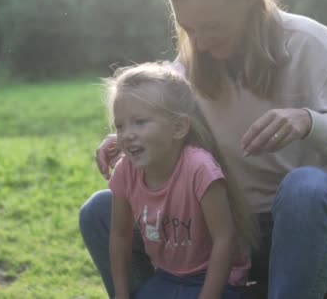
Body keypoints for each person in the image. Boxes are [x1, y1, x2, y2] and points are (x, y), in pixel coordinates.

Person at [79, 0, 327, 298]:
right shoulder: (190, 66)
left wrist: (310, 122)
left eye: (212, 26)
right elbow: (162, 115)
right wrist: (135, 137)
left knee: (306, 187)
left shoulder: (309, 43)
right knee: (100, 211)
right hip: (232, 236)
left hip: (319, 233)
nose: (199, 41)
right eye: (190, 29)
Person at [104, 63, 257, 299]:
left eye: (140, 122)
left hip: (217, 281)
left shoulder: (199, 167)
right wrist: (121, 295)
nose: (126, 134)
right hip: (167, 277)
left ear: (178, 128)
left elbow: (224, 239)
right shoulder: (126, 170)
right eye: (120, 125)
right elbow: (120, 235)